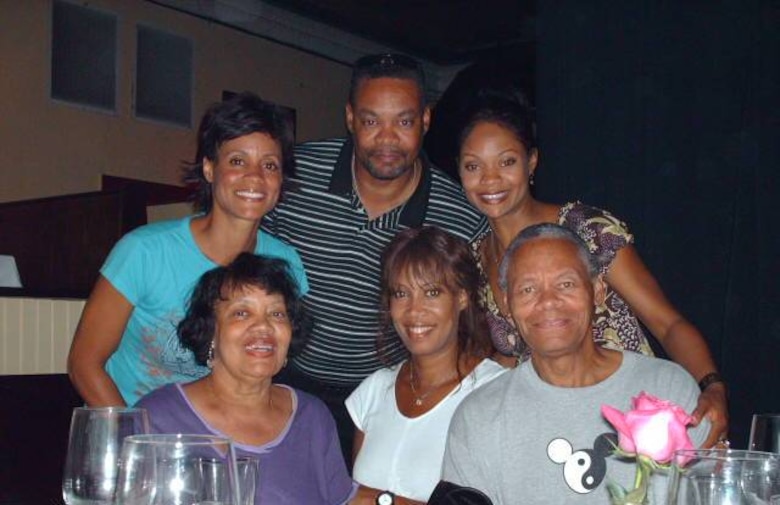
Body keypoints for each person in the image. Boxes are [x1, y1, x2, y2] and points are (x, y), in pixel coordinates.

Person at [456, 93, 728, 447]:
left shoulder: (586, 230)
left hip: (635, 419)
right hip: (558, 427)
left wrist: (712, 387)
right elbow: (510, 359)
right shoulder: (476, 261)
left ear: (532, 162)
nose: (490, 179)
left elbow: (667, 322)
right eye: (473, 166)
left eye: (506, 162)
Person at [264, 53, 487, 456]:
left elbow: (476, 317)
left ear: (425, 120)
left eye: (403, 122)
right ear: (350, 118)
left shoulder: (460, 214)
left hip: (389, 396)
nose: (387, 139)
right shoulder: (293, 177)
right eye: (371, 121)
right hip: (286, 384)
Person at [441, 224, 710, 504]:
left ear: (597, 291)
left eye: (565, 284)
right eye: (528, 289)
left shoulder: (668, 389)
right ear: (507, 305)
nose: (548, 301)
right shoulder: (480, 416)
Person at [68, 92, 308, 406]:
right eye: (238, 161)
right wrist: (137, 440)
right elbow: (84, 364)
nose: (255, 177)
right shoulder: (144, 251)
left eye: (270, 165)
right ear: (209, 168)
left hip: (217, 441)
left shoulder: (285, 263)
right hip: (130, 432)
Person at [135, 253, 355, 504]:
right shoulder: (155, 418)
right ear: (211, 333)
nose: (263, 326)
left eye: (277, 314)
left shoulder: (313, 416)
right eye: (241, 313)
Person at [346, 227, 505, 505]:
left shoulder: (496, 393)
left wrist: (385, 501)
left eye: (432, 292)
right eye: (401, 293)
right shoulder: (374, 389)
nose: (414, 310)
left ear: (462, 297)